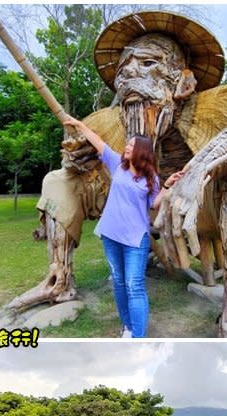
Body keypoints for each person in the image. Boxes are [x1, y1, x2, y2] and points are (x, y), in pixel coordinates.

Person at [12, 11, 227, 337]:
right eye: (124, 67)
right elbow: (93, 154)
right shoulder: (112, 123)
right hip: (132, 212)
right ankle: (60, 278)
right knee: (58, 180)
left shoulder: (216, 107)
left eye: (147, 64)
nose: (129, 74)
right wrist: (78, 151)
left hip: (200, 209)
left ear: (183, 82)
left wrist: (196, 172)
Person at [60, 114, 183, 338]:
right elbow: (97, 140)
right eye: (128, 143)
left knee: (134, 285)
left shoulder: (151, 178)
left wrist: (167, 185)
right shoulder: (118, 164)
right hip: (111, 234)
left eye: (132, 145)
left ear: (142, 151)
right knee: (118, 282)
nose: (127, 146)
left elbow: (154, 203)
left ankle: (138, 336)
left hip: (136, 238)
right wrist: (79, 125)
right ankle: (127, 326)